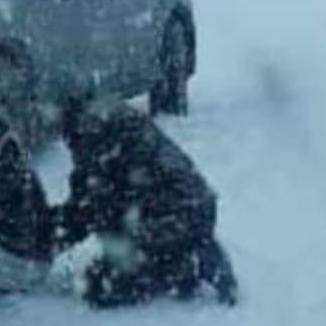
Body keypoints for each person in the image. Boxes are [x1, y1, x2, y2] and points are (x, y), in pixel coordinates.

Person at [49, 94, 238, 308]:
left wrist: (50, 240)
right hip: (187, 210)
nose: (67, 144)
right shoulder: (112, 127)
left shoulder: (109, 143)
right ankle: (180, 253)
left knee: (101, 288)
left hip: (177, 215)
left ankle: (183, 265)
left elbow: (91, 208)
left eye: (66, 136)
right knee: (104, 264)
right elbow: (85, 201)